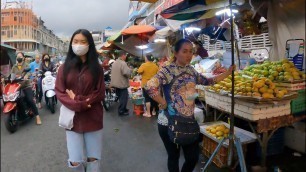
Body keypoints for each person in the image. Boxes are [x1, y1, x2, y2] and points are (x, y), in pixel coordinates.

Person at [145, 39, 234, 172]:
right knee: (173, 157)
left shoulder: (191, 70)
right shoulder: (168, 71)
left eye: (191, 52)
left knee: (192, 158)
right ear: (175, 53)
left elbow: (208, 81)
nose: (188, 55)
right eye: (184, 51)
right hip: (168, 122)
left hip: (188, 121)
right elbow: (150, 86)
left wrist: (227, 73)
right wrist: (162, 102)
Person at [55, 29, 105, 172]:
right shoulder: (63, 68)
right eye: (75, 41)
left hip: (93, 117)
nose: (79, 45)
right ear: (71, 44)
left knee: (93, 159)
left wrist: (77, 99)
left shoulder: (97, 68)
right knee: (75, 161)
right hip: (72, 119)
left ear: (89, 44)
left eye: (83, 42)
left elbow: (99, 93)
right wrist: (81, 104)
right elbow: (60, 92)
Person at [11, 52, 42, 125]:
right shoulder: (14, 66)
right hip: (17, 87)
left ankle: (37, 116)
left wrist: (26, 76)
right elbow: (11, 75)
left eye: (20, 56)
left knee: (30, 100)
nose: (19, 57)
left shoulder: (26, 65)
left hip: (26, 85)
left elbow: (29, 72)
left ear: (23, 58)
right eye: (17, 56)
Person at [110, 50, 132, 116]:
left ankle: (124, 108)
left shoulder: (115, 62)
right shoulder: (123, 63)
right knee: (124, 98)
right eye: (125, 55)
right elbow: (126, 72)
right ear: (123, 55)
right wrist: (130, 71)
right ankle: (121, 111)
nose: (126, 57)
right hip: (121, 83)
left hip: (116, 83)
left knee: (120, 97)